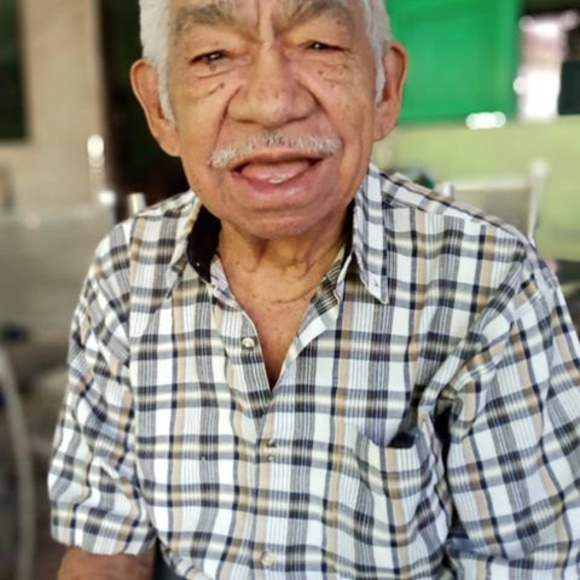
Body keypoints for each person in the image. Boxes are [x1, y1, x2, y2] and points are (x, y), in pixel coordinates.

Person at [48, 0, 580, 578]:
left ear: (384, 89)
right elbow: (105, 547)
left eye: (319, 44)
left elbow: (528, 564)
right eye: (214, 55)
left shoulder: (491, 282)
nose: (271, 102)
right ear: (160, 107)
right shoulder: (128, 270)